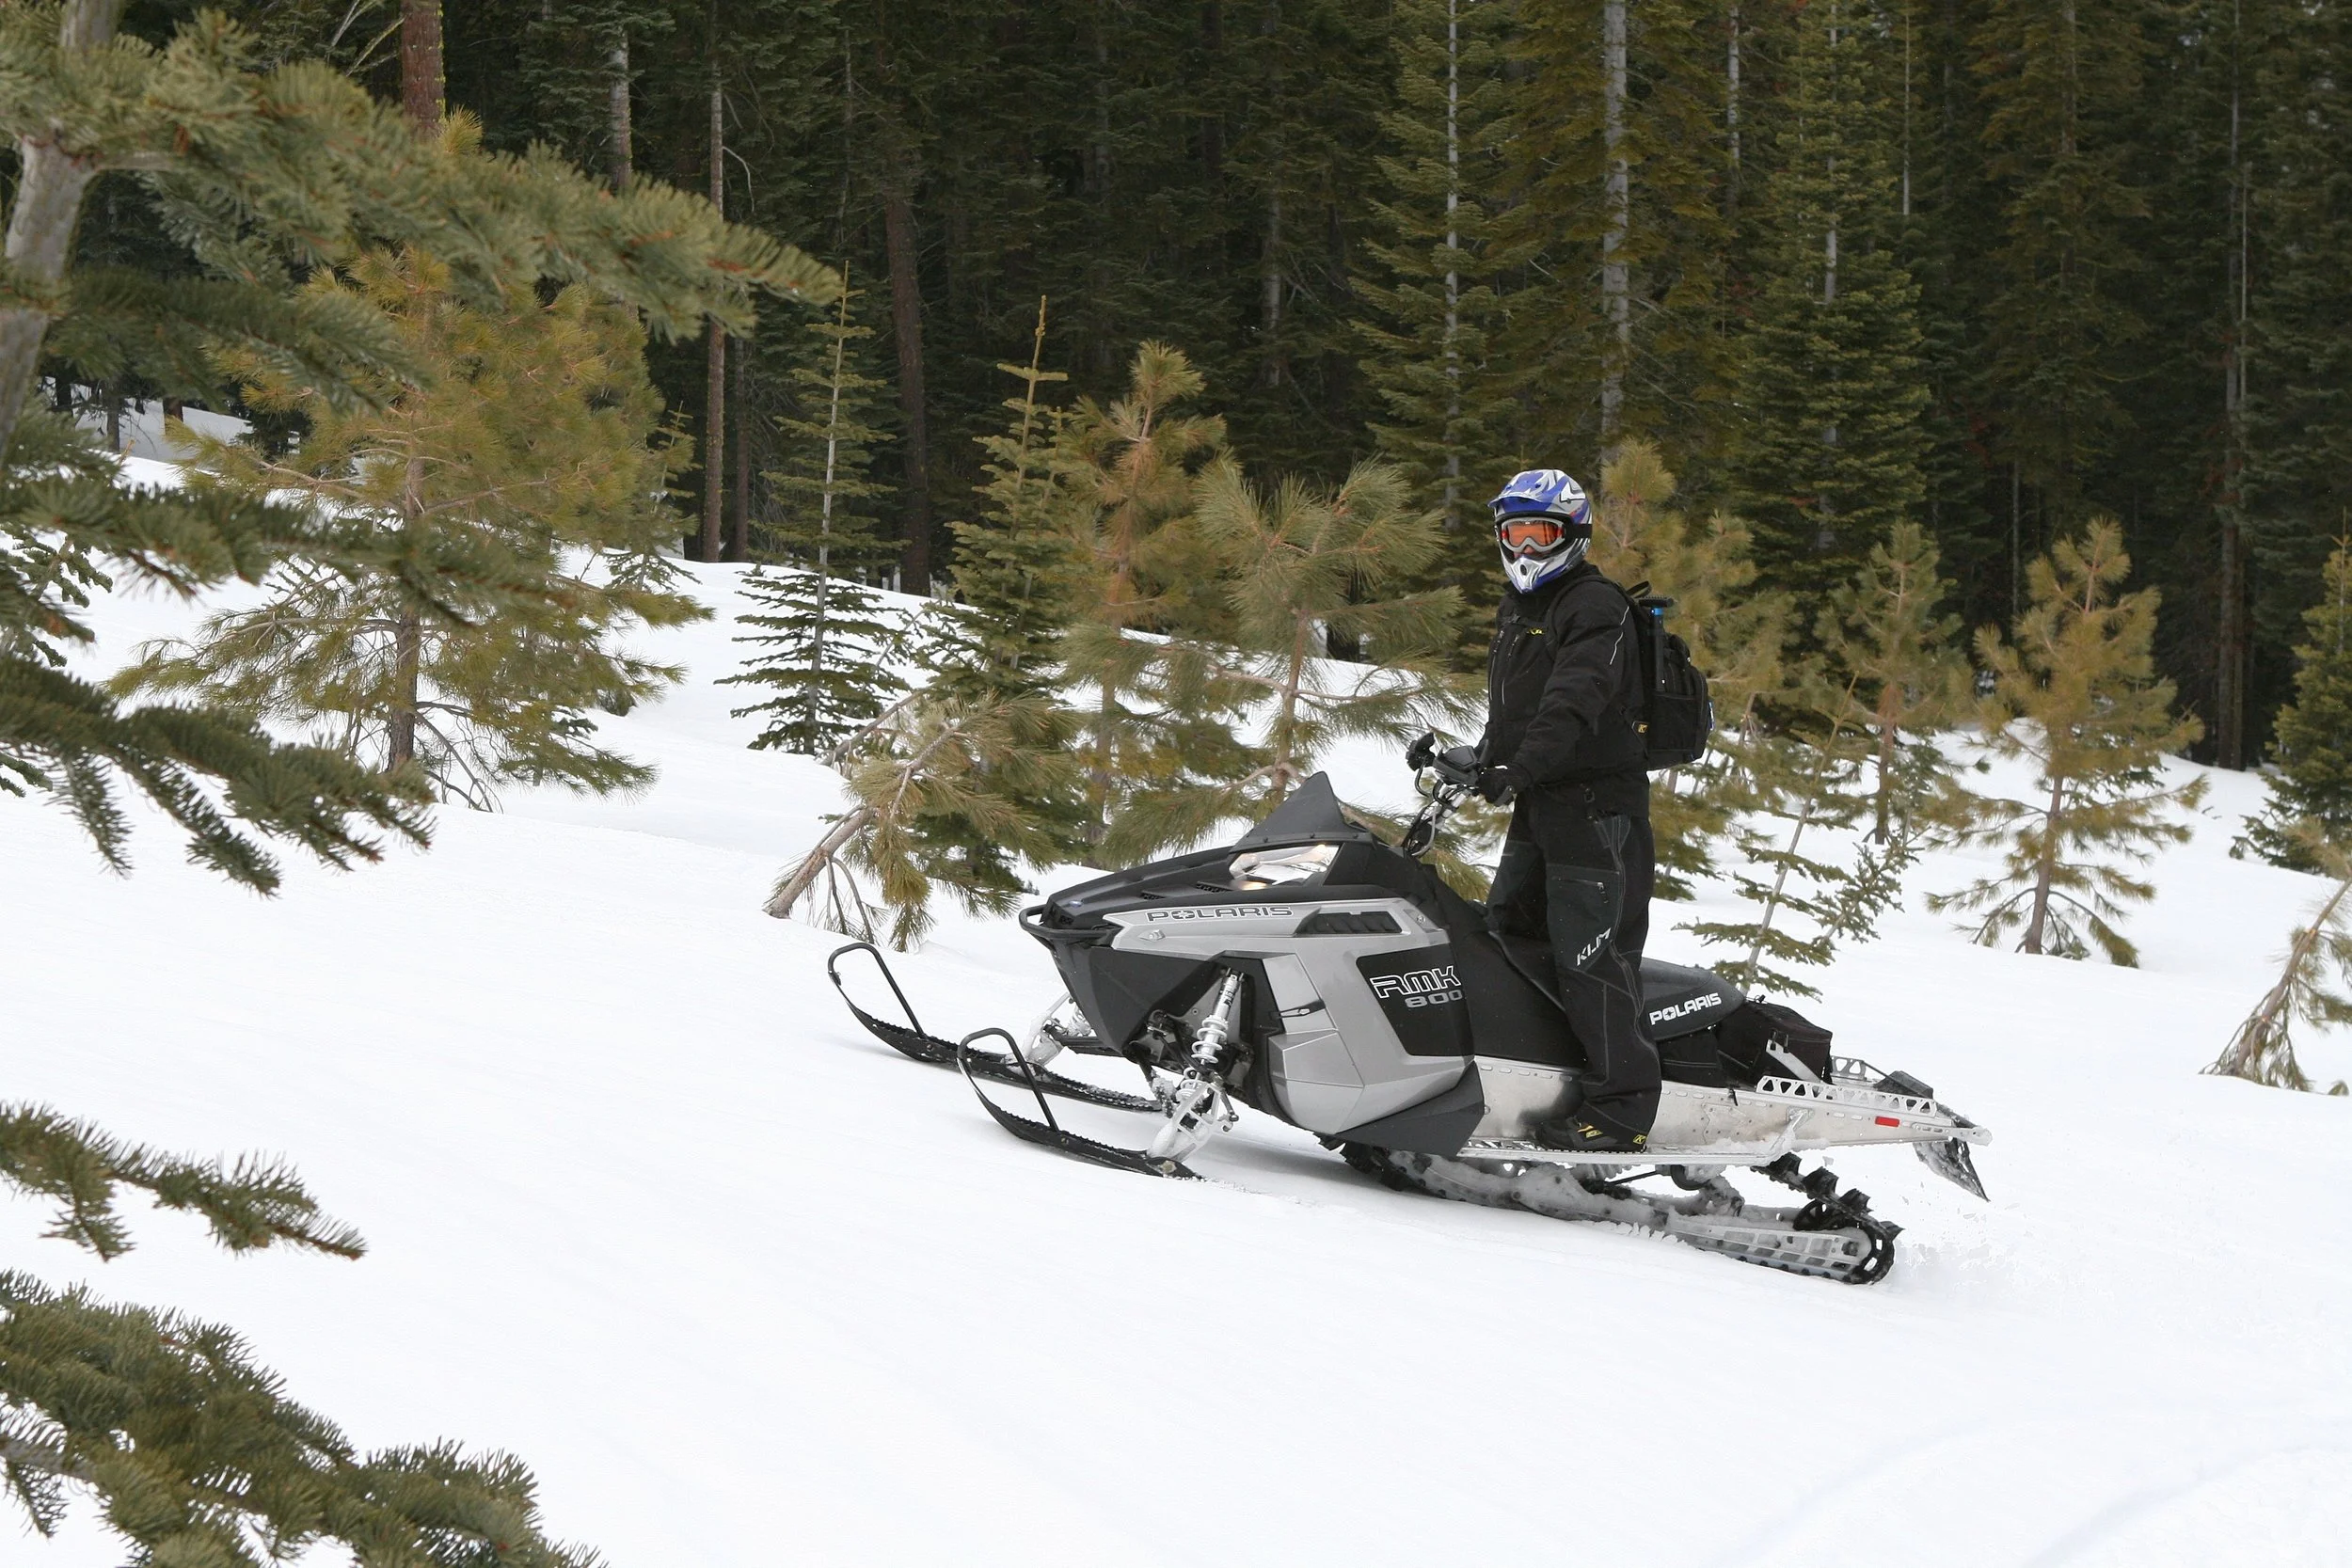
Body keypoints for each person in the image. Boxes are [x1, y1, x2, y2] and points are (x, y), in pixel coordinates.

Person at [1471, 468, 1661, 1151]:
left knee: (1589, 957)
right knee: (1508, 934)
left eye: (1540, 533)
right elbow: (1519, 704)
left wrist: (1518, 768)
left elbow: (1574, 699)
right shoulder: (1522, 606)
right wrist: (1482, 757)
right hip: (1545, 802)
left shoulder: (1594, 605)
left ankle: (1623, 1109)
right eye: (1515, 533)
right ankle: (1529, 1070)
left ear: (1571, 535)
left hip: (1597, 811)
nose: (1525, 548)